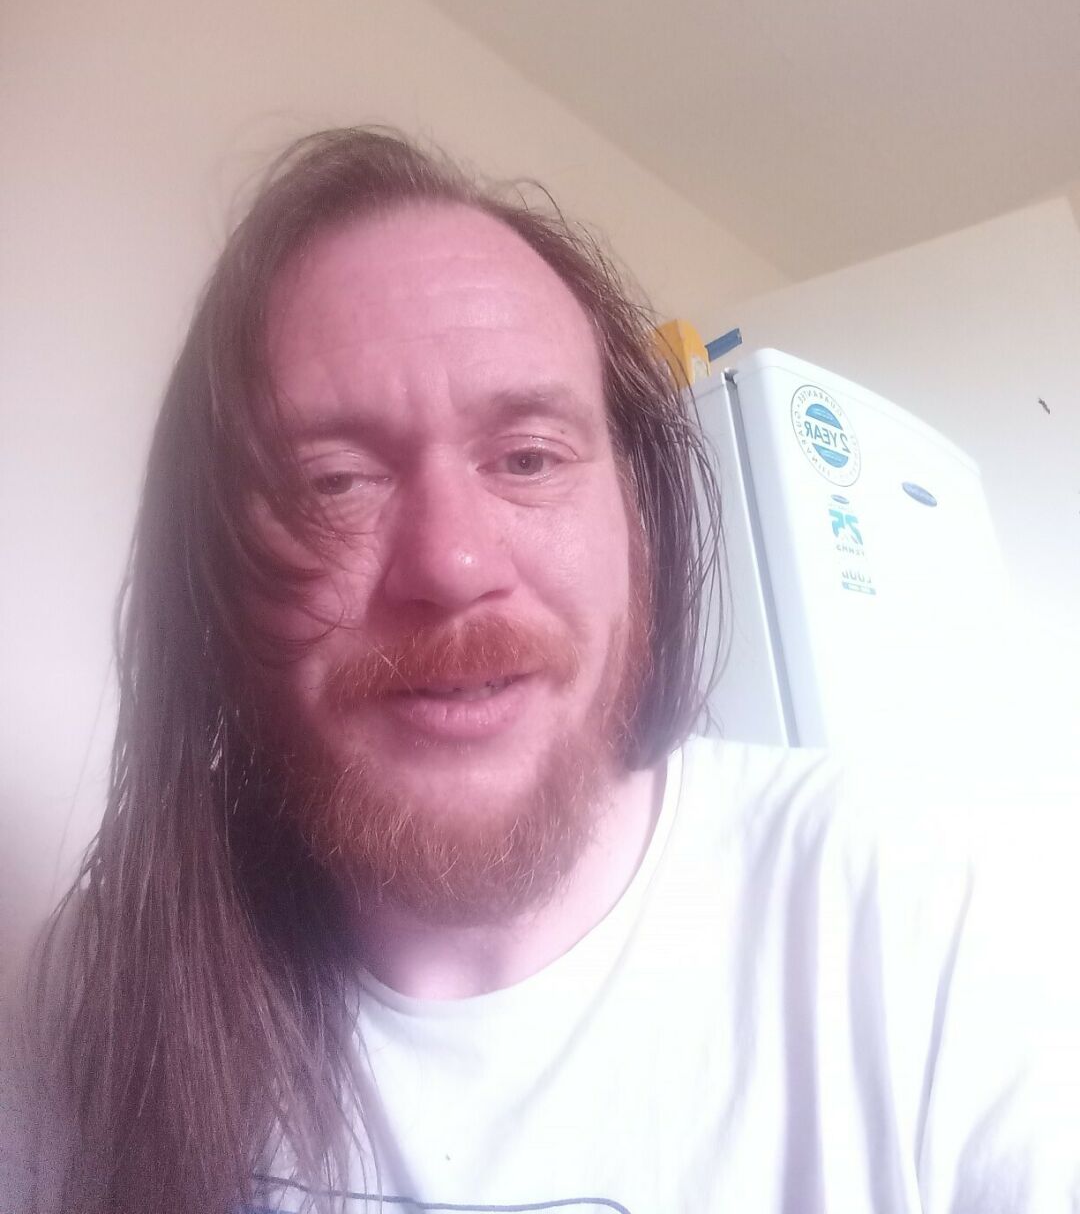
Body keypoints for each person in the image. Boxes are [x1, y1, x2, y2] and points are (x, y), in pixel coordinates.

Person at [14, 129, 1077, 1213]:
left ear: (640, 523)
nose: (454, 564)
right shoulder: (96, 987)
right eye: (333, 482)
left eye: (529, 458)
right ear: (210, 575)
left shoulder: (928, 916)